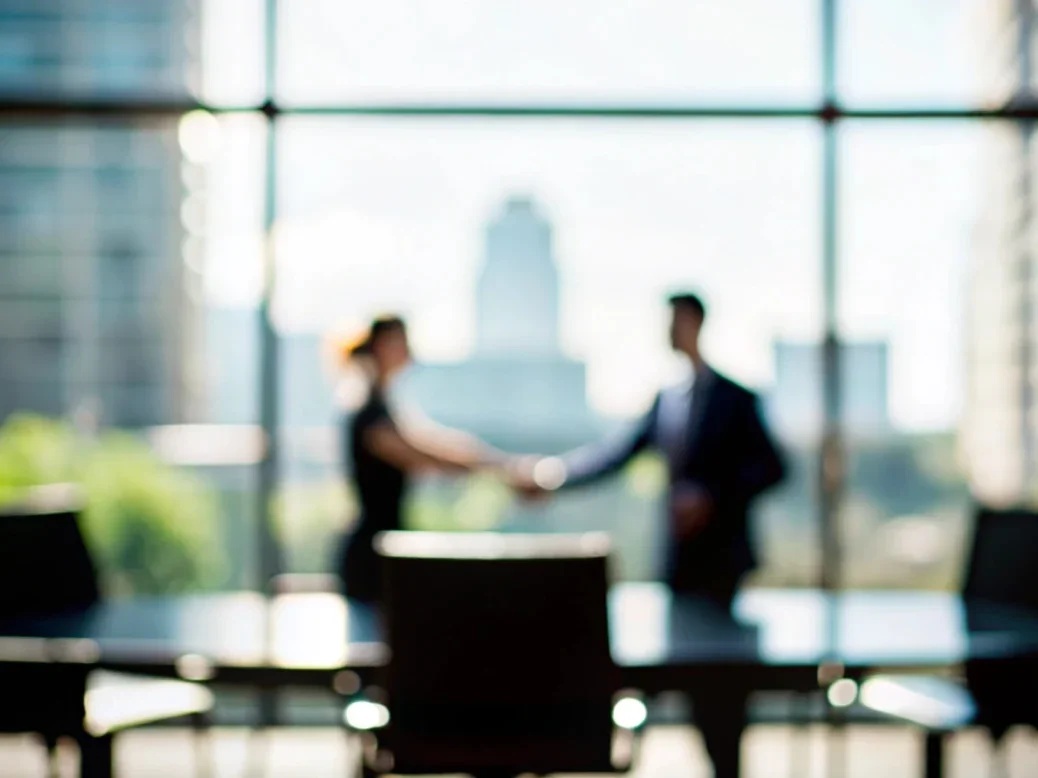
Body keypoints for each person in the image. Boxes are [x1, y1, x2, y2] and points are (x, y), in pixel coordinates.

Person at [517, 292, 785, 778]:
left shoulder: (736, 398)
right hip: (678, 560)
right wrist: (552, 477)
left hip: (723, 561)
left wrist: (712, 496)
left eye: (675, 321)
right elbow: (616, 454)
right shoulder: (667, 400)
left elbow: (772, 468)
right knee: (688, 675)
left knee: (722, 684)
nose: (667, 331)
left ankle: (727, 767)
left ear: (696, 323)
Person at [334, 314, 512, 602]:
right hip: (370, 554)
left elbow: (432, 444)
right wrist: (498, 466)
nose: (408, 351)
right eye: (400, 341)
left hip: (384, 545)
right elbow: (423, 454)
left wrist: (495, 462)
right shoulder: (370, 413)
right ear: (380, 346)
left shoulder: (381, 407)